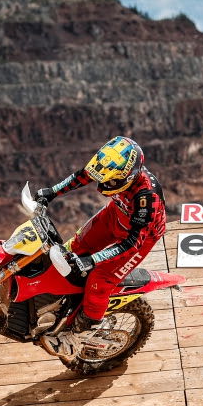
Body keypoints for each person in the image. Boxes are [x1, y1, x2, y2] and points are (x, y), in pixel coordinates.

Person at [36, 136, 166, 360]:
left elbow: (130, 244)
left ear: (129, 175)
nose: (103, 186)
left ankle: (80, 335)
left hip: (139, 238)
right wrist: (52, 192)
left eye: (110, 182)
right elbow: (82, 176)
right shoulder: (111, 167)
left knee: (100, 280)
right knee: (73, 249)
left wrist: (93, 260)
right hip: (115, 215)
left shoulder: (147, 198)